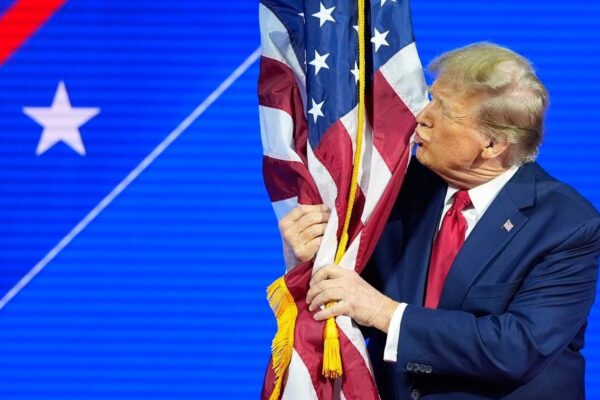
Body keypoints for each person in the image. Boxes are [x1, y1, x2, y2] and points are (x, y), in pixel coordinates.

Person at [279, 43, 600, 399]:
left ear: (492, 144)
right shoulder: (397, 187)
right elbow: (353, 294)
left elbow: (517, 348)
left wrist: (386, 313)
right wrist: (315, 254)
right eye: (430, 98)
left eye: (443, 110)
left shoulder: (566, 225)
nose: (422, 116)